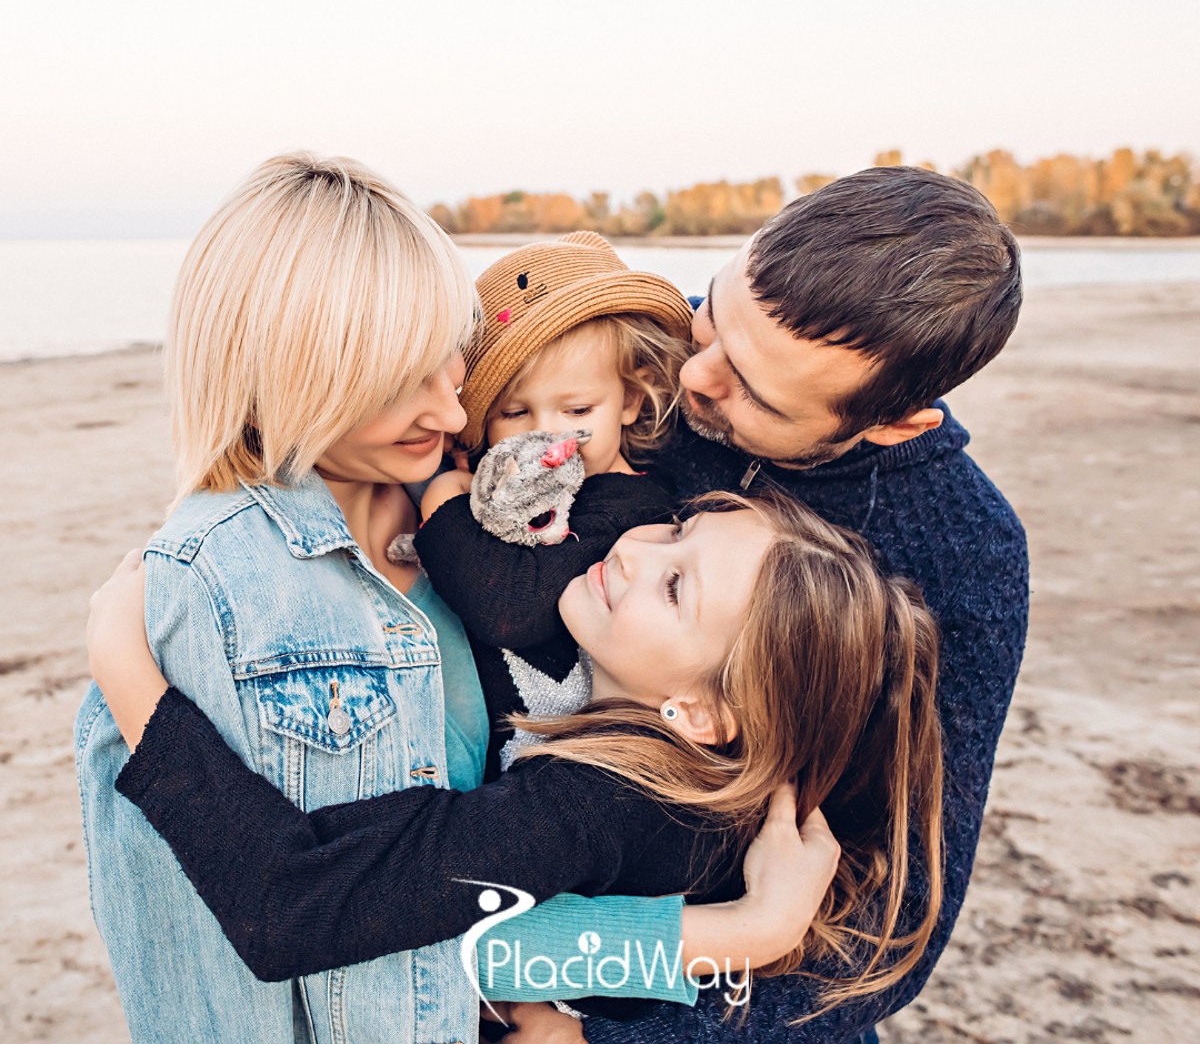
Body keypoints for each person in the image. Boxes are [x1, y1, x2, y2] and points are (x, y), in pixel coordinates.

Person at [72, 154, 804, 1044]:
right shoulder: (210, 591)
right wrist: (731, 936)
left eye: (448, 361)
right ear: (286, 382)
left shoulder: (506, 526)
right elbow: (271, 934)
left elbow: (473, 903)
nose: (456, 415)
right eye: (398, 383)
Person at [88, 490, 943, 1026]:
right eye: (678, 529)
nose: (634, 550)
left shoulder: (599, 804)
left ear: (701, 711)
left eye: (676, 586)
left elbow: (297, 908)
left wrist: (128, 676)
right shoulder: (687, 760)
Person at [589, 166, 1027, 1043]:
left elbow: (895, 923)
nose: (694, 374)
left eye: (755, 393)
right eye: (715, 313)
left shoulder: (965, 555)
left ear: (895, 423)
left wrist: (612, 1036)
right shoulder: (635, 344)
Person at [415, 230, 693, 776]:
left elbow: (509, 608)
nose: (546, 437)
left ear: (630, 401)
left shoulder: (634, 513)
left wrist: (442, 501)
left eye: (578, 411)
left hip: (561, 777)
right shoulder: (496, 489)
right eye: (515, 414)